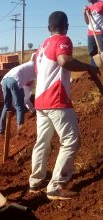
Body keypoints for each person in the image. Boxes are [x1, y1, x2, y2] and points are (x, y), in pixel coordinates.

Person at [29, 11, 100, 200]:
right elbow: (64, 61)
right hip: (56, 99)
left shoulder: (41, 48)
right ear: (66, 26)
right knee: (70, 141)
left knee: (42, 142)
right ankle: (56, 186)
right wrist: (88, 67)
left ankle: (36, 181)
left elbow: (39, 70)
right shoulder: (63, 39)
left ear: (48, 28)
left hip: (41, 101)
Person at [0, 53, 36, 136]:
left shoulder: (26, 65)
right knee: (19, 106)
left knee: (6, 106)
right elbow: (31, 83)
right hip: (14, 80)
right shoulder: (35, 67)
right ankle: (20, 131)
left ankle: (1, 131)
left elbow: (28, 82)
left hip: (4, 80)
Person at [84, 0, 103, 67]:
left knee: (102, 51)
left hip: (100, 31)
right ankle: (93, 68)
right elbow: (87, 22)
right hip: (91, 32)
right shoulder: (88, 8)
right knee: (92, 52)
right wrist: (85, 13)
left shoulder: (101, 4)